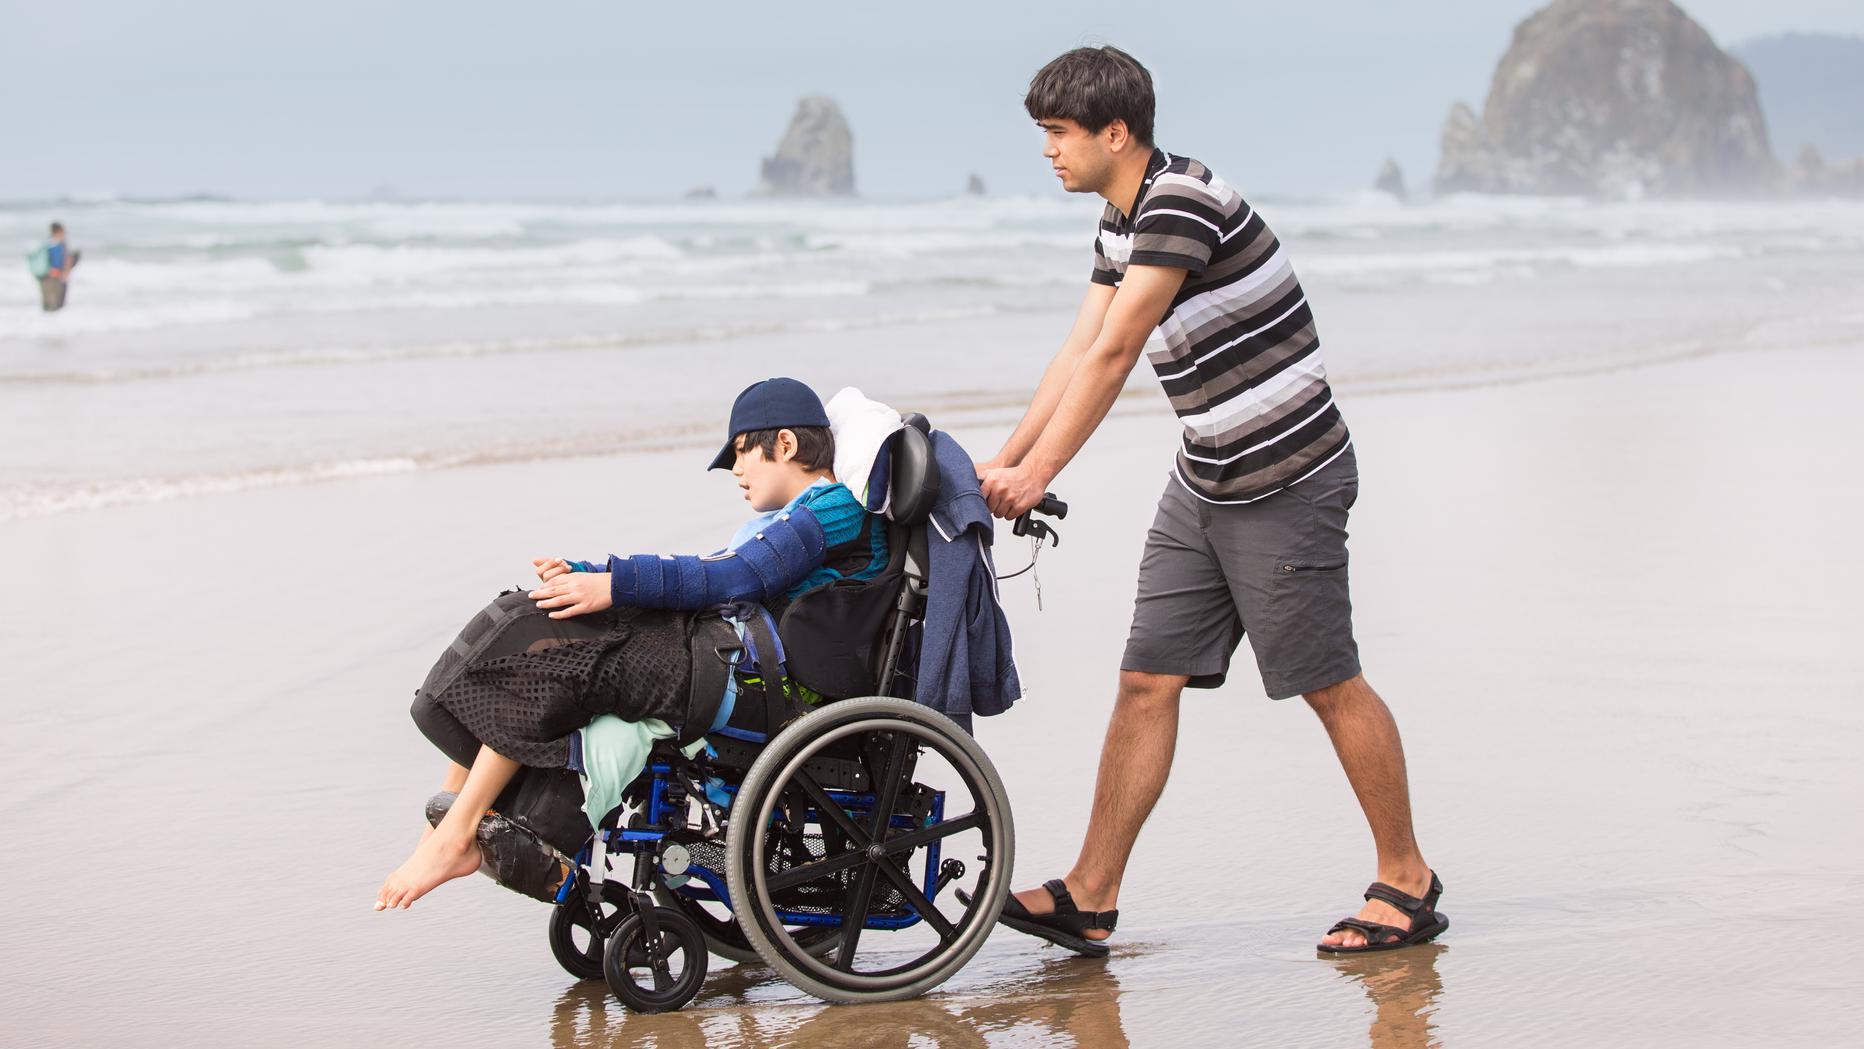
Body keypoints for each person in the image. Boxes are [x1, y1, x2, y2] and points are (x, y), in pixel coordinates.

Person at [974, 47, 1444, 955]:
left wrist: (1039, 480)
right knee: (1146, 678)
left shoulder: (1182, 203)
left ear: (1117, 133)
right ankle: (1091, 893)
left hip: (1289, 480)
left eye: (1059, 134)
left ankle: (1408, 880)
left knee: (1326, 682)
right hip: (1207, 477)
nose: (1048, 152)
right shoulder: (1119, 218)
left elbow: (1118, 352)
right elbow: (1077, 348)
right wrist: (1005, 458)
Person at [375, 377, 889, 911]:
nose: (736, 471)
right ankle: (454, 821)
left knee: (553, 654)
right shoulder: (788, 519)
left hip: (752, 680)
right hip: (728, 659)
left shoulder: (833, 510)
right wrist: (588, 574)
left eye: (742, 453)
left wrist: (613, 584)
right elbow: (710, 571)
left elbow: (736, 578)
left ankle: (455, 835)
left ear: (785, 444)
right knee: (523, 623)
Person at [32, 222, 80, 312]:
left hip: (44, 277)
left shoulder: (46, 244)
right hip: (56, 277)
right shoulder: (59, 245)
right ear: (59, 231)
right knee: (56, 306)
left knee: (47, 306)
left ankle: (43, 324)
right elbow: (63, 261)